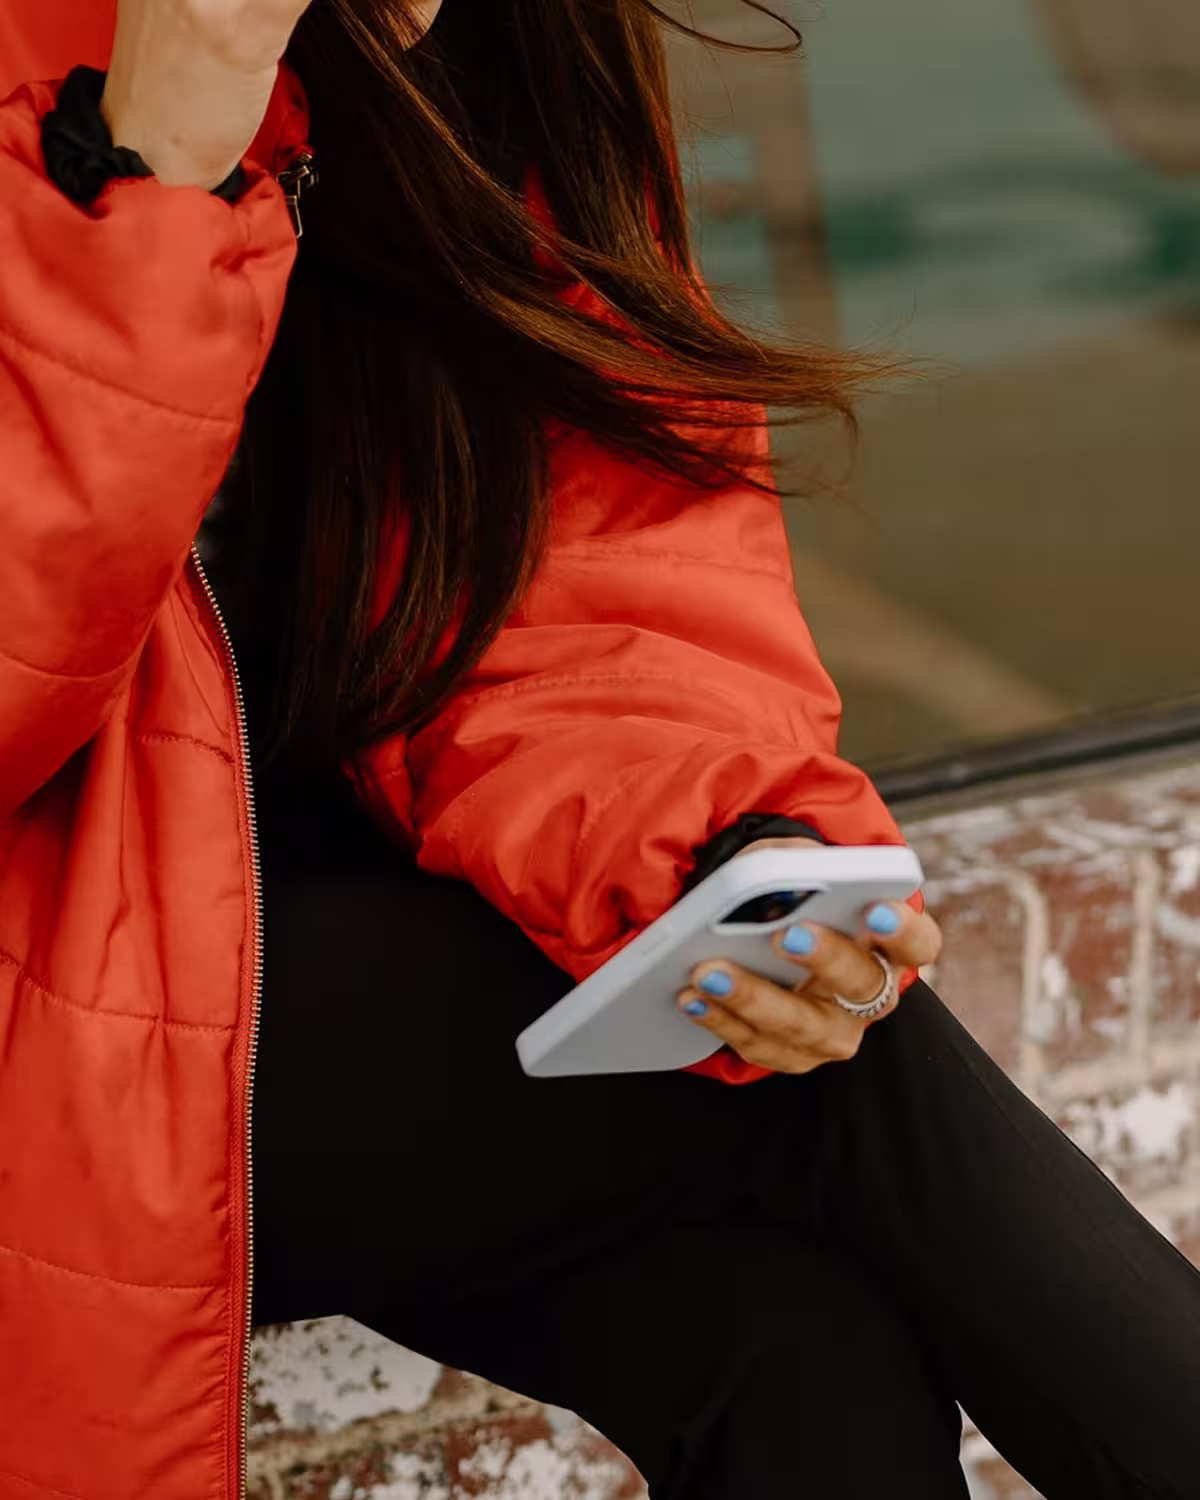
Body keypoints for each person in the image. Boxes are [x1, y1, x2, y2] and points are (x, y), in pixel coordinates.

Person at [0, 3, 1197, 1498]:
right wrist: (141, 167)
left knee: (790, 1339)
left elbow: (590, 572)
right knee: (844, 1098)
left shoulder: (486, 41)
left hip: (276, 995)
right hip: (51, 1021)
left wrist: (699, 849)